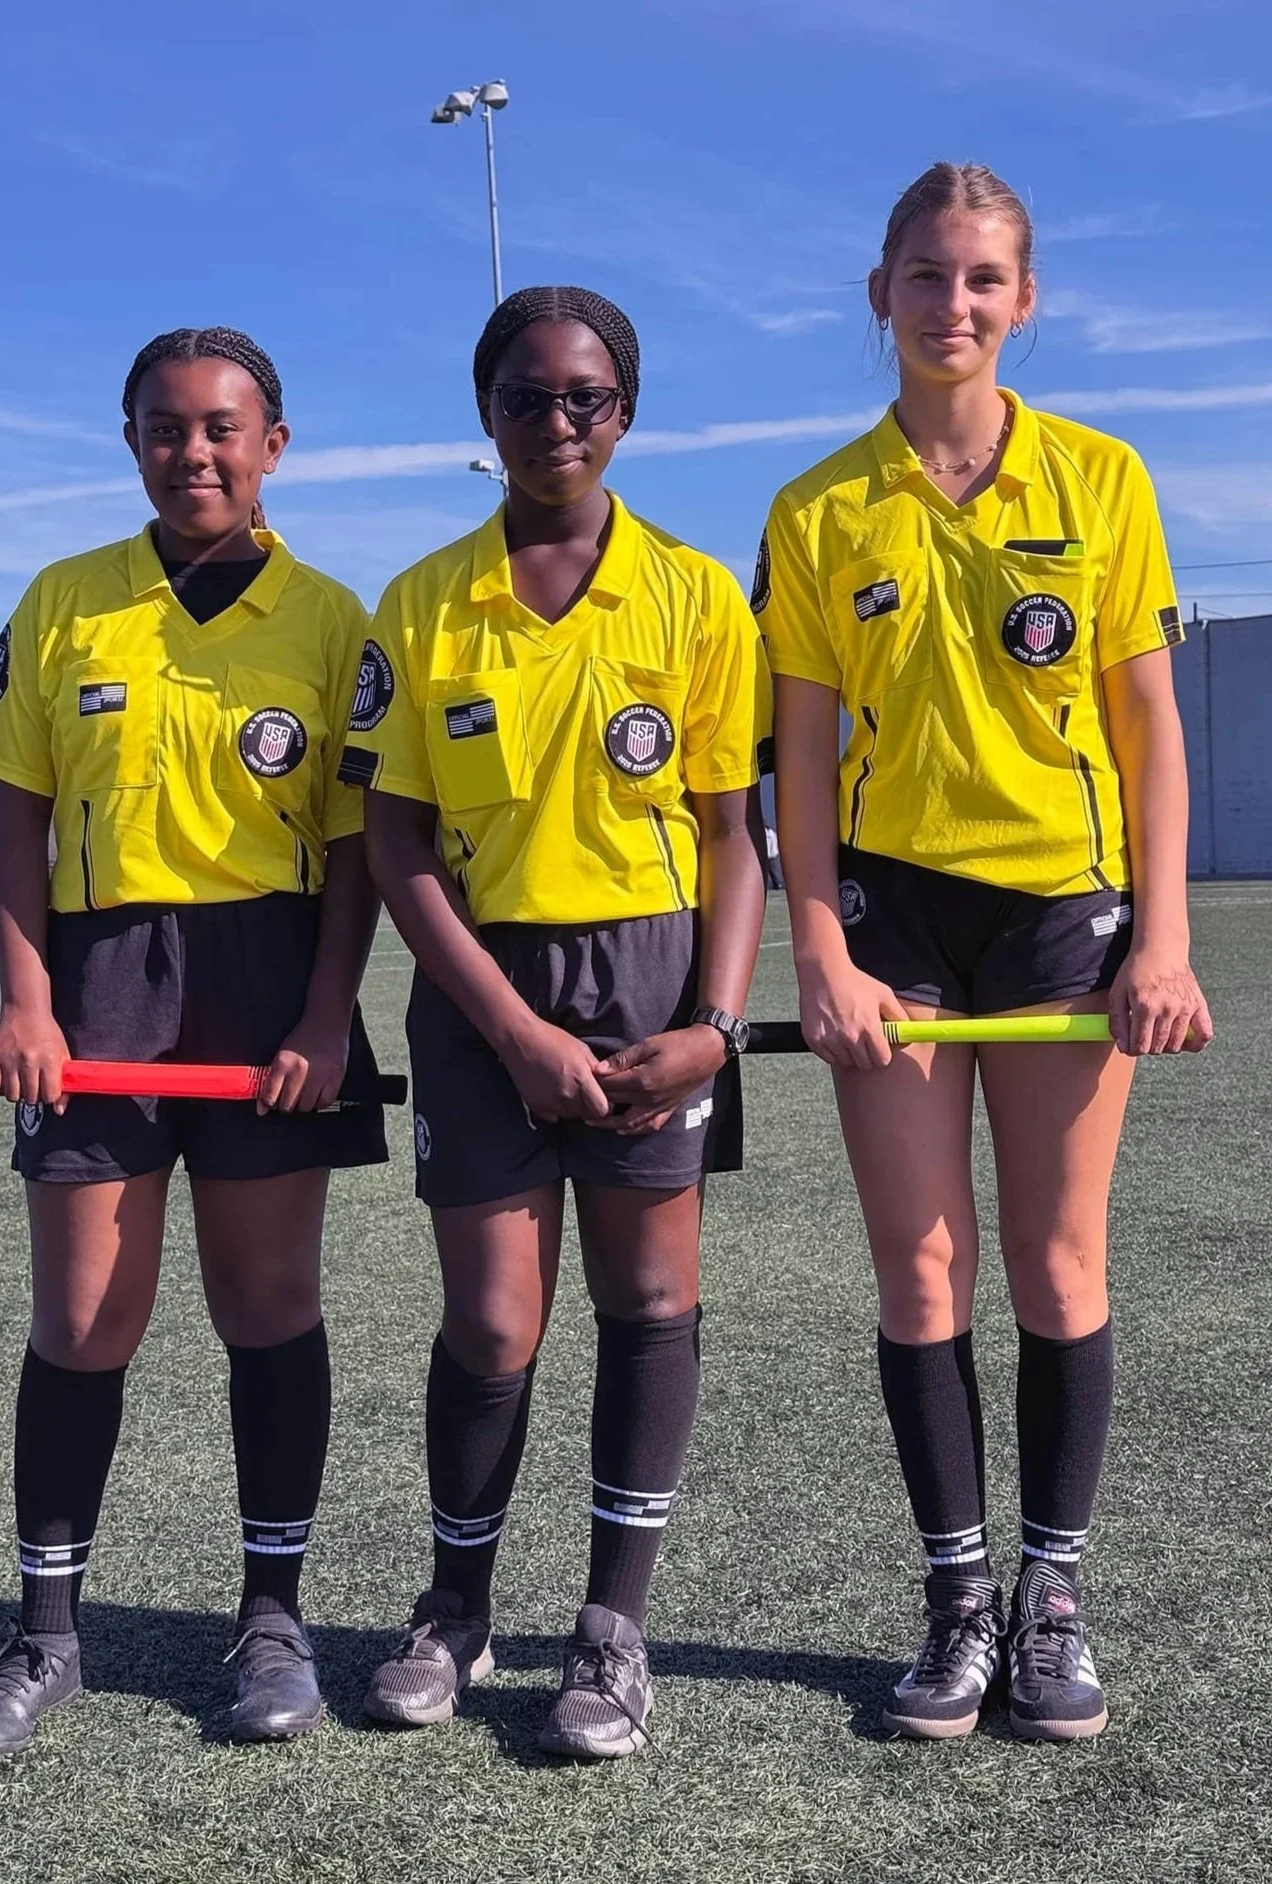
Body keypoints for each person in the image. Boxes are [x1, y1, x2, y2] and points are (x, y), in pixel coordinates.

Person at [760, 164, 1213, 1743]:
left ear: (1025, 299)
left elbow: (1150, 729)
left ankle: (1055, 1599)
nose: (951, 305)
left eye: (980, 279)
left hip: (1059, 916)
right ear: (876, 290)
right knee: (922, 1266)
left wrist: (1162, 936)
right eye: (924, 276)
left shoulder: (1101, 479)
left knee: (1056, 1262)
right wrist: (815, 946)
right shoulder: (818, 509)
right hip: (893, 914)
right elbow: (798, 763)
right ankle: (958, 1603)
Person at [0, 327, 387, 1759]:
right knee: (82, 1321)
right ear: (131, 440)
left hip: (270, 990)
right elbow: (13, 815)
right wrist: (26, 998)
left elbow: (354, 843)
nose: (194, 452)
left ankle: (272, 1621)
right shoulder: (66, 602)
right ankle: (44, 1635)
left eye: (221, 428)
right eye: (165, 428)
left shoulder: (332, 617)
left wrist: (326, 1013)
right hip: (99, 984)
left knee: (266, 1310)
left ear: (274, 444)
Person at [342, 286, 768, 1758]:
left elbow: (731, 836)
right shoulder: (419, 603)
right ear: (487, 414)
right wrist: (512, 1029)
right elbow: (395, 844)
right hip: (482, 990)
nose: (557, 423)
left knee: (646, 1305)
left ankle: (609, 1633)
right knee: (491, 1318)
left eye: (586, 397)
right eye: (527, 397)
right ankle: (455, 1609)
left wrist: (715, 1022)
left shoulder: (698, 595)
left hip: (653, 984)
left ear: (626, 412)